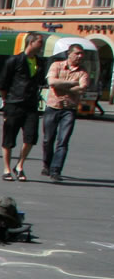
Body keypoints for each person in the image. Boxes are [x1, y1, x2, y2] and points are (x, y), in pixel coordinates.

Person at [0, 32, 47, 182]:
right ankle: (6, 168)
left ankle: (20, 165)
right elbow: (2, 82)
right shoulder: (14, 60)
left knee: (31, 137)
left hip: (31, 104)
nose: (41, 46)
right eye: (40, 43)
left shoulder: (40, 62)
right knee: (9, 137)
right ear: (31, 43)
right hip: (14, 103)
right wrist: (6, 99)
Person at [41, 44, 90, 182]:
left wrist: (61, 85)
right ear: (69, 54)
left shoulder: (83, 71)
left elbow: (82, 89)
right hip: (53, 106)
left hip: (69, 110)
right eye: (78, 53)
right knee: (48, 139)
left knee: (63, 141)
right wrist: (72, 84)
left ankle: (56, 170)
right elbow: (52, 82)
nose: (80, 56)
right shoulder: (56, 65)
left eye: (82, 54)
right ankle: (47, 164)